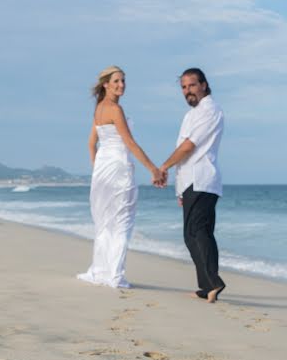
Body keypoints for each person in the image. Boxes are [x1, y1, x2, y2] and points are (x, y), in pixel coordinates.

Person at [77, 65, 166, 289]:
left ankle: (101, 271)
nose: (121, 85)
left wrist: (97, 167)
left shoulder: (99, 109)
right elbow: (130, 143)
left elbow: (91, 144)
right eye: (116, 81)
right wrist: (153, 169)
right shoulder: (116, 110)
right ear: (105, 84)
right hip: (118, 168)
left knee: (104, 221)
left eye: (123, 81)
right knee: (122, 221)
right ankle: (115, 276)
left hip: (103, 169)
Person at [158, 68, 226, 303]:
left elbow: (189, 146)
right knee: (191, 235)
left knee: (199, 231)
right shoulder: (192, 114)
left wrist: (164, 166)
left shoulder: (210, 110)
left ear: (204, 85)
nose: (188, 91)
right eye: (184, 87)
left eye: (192, 85)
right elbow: (185, 154)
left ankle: (214, 283)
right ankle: (206, 286)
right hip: (190, 182)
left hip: (203, 178)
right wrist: (179, 189)